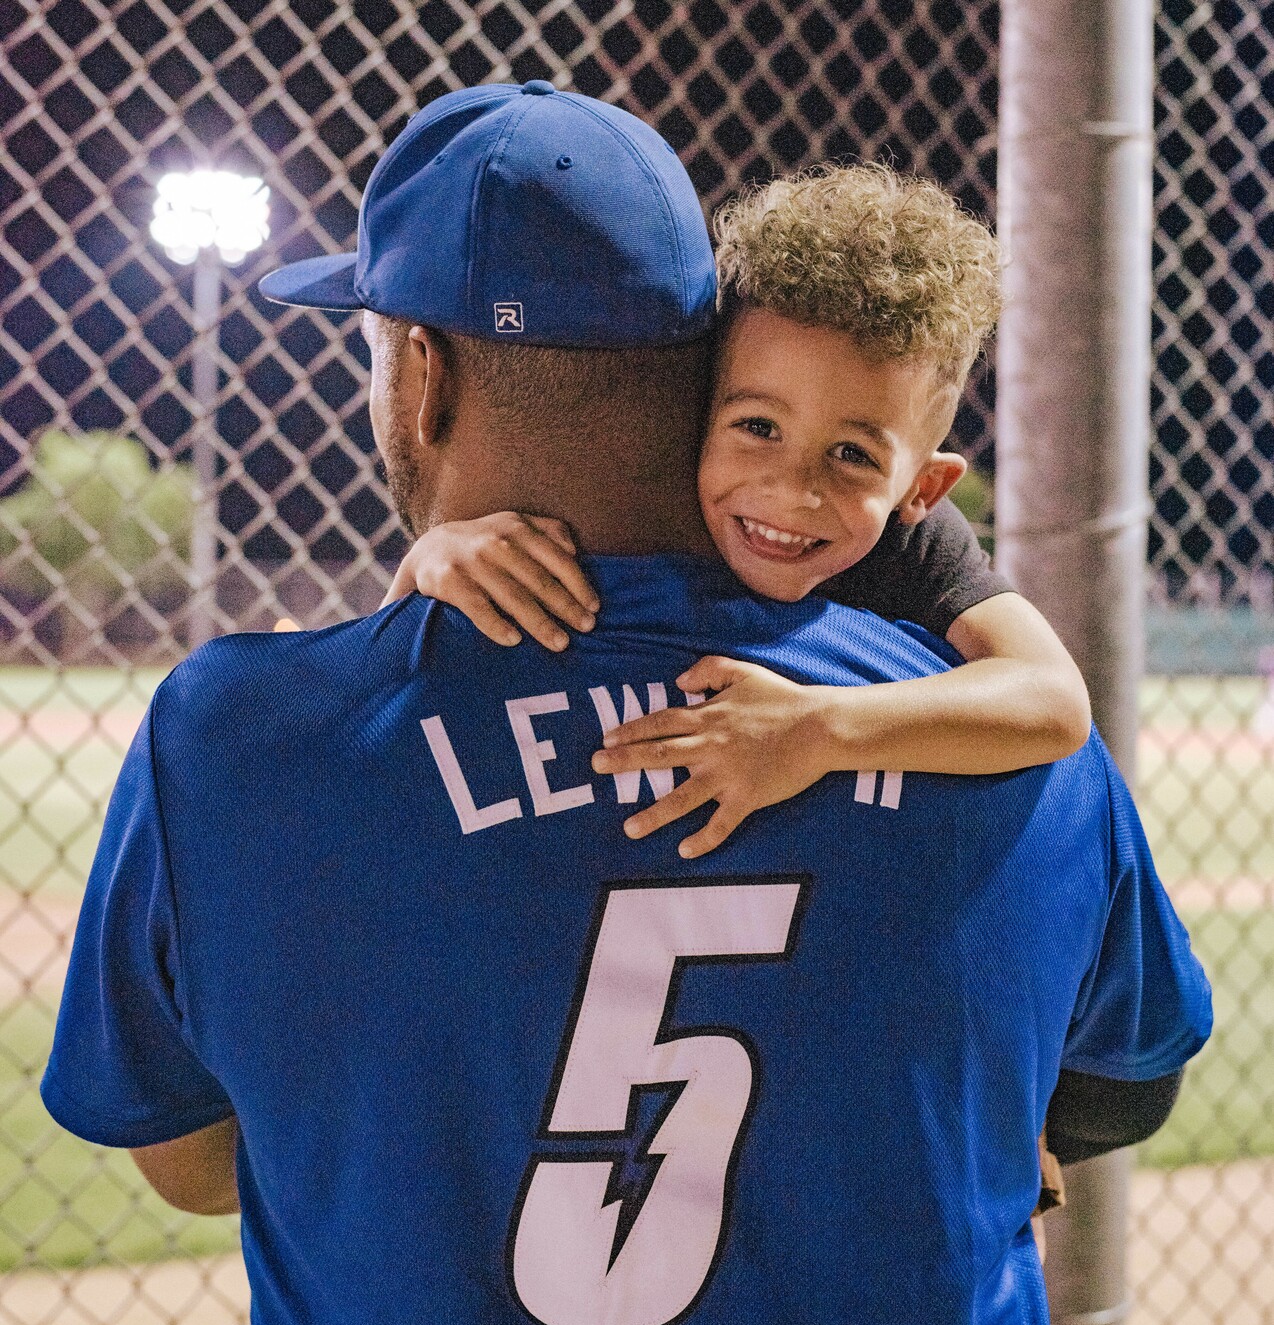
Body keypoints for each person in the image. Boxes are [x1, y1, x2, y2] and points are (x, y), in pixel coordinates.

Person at [42, 84, 1210, 1325]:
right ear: (701, 384)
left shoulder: (241, 739)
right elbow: (1115, 1093)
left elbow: (187, 1163)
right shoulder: (1009, 738)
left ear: (420, 378)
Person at [381, 163, 1091, 858]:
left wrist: (817, 730)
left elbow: (1053, 700)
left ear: (922, 489)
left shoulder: (914, 542)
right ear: (698, 418)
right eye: (758, 428)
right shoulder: (656, 508)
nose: (791, 490)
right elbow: (393, 683)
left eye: (852, 456)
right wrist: (434, 553)